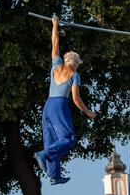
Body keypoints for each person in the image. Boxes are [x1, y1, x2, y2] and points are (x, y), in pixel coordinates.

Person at [33, 16, 96, 185]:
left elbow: (55, 43)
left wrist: (55, 25)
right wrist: (88, 112)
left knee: (52, 142)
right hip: (60, 106)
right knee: (67, 140)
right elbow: (75, 98)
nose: (78, 67)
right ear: (75, 63)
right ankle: (42, 155)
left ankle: (54, 176)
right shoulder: (74, 75)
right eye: (78, 65)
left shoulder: (56, 65)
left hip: (47, 107)